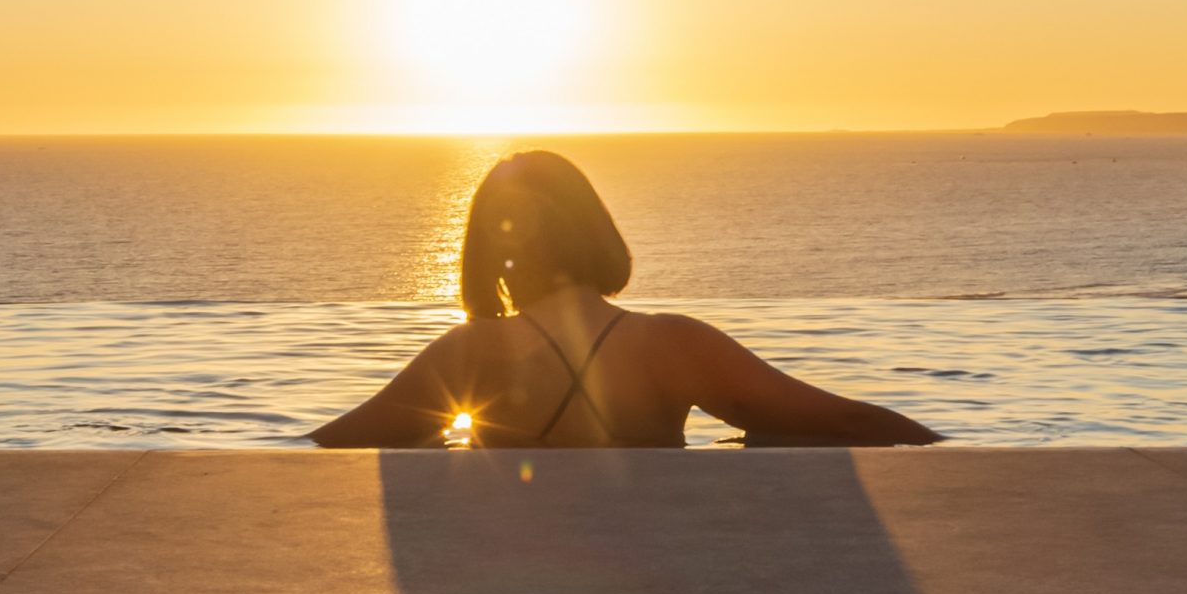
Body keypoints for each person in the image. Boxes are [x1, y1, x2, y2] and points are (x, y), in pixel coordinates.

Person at [311, 149, 941, 450]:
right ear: (594, 231)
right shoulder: (670, 345)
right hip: (654, 589)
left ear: (486, 252)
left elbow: (330, 450)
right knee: (774, 437)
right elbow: (851, 422)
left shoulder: (467, 356)